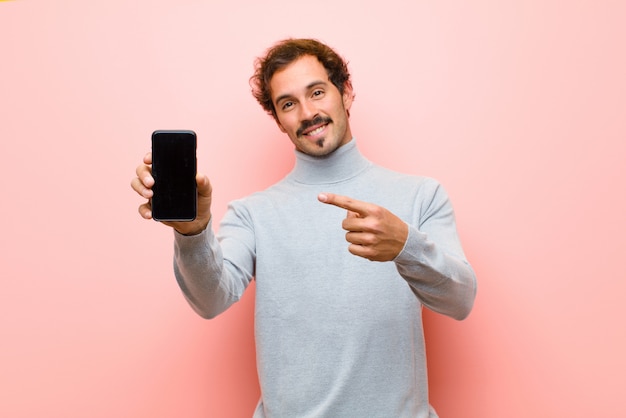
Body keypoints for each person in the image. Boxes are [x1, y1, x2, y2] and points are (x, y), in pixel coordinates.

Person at [131, 38, 476, 418]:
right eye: (288, 103)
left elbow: (460, 301)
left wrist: (405, 246)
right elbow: (211, 300)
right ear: (278, 119)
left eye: (317, 92)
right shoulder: (253, 213)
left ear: (345, 92)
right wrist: (192, 234)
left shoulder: (421, 196)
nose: (308, 112)